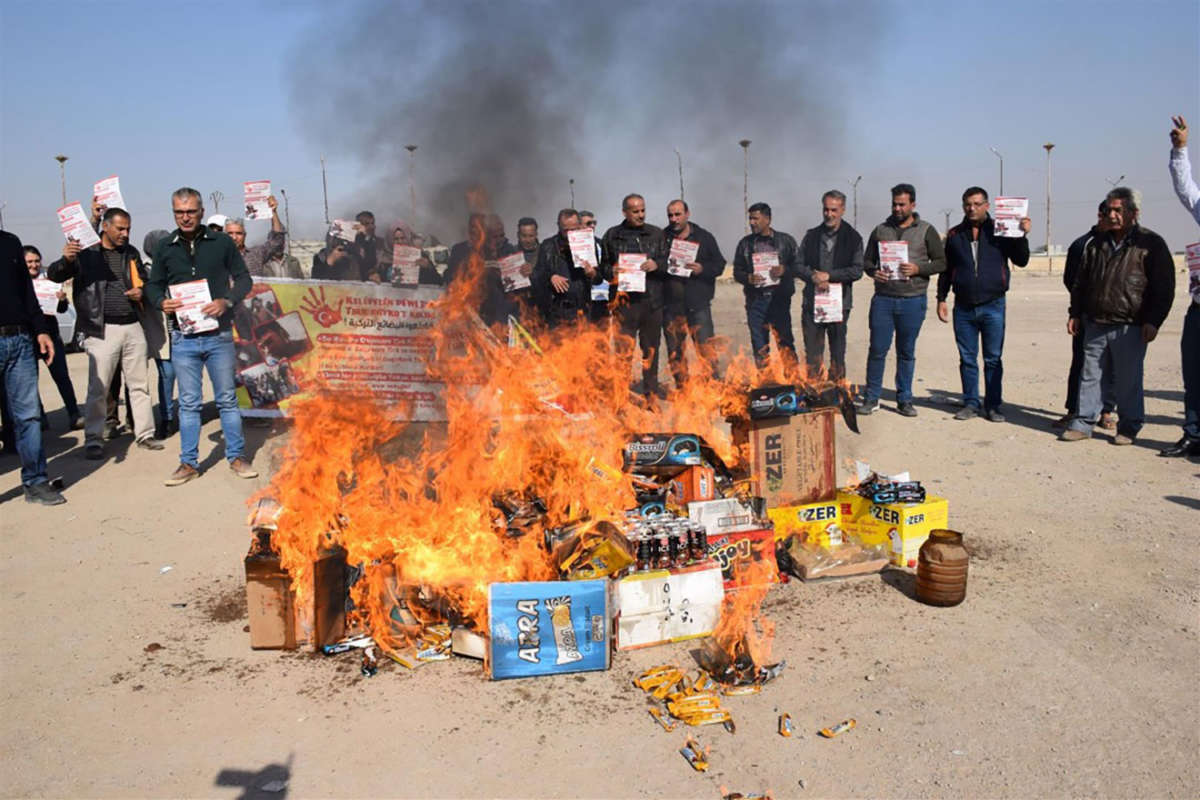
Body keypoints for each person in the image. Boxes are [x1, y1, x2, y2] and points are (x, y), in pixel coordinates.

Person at [144, 187, 257, 484]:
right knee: (190, 403)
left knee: (227, 401)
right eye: (179, 212)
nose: (185, 217)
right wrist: (160, 301)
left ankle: (236, 456)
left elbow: (245, 279)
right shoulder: (165, 247)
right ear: (173, 213)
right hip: (185, 338)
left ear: (202, 211)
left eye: (190, 211)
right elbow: (152, 285)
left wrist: (227, 301)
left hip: (218, 335)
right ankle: (188, 463)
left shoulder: (221, 243)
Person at [1061, 187, 1175, 445]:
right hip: (1095, 322)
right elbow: (1081, 282)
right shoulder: (1097, 244)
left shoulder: (1150, 244)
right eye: (1109, 210)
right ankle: (1083, 423)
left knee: (1128, 380)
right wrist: (1075, 313)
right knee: (1090, 376)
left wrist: (1153, 320)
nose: (1112, 215)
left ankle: (1128, 427)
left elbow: (1163, 287)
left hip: (1130, 326)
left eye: (1117, 210)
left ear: (1133, 213)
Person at [47, 207, 164, 458]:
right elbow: (54, 274)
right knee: (98, 389)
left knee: (139, 386)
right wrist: (67, 260)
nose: (125, 234)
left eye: (128, 229)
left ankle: (145, 434)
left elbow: (144, 280)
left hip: (133, 325)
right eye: (120, 229)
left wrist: (141, 292)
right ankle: (94, 439)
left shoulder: (130, 253)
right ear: (105, 228)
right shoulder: (86, 254)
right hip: (101, 329)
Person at [936, 187, 1031, 422]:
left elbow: (1022, 260)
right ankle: (970, 403)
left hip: (993, 305)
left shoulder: (1002, 231)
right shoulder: (955, 235)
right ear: (963, 206)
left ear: (987, 206)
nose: (972, 208)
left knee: (993, 358)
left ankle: (993, 405)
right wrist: (941, 298)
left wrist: (1021, 235)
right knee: (967, 358)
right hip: (964, 307)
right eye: (968, 204)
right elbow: (947, 270)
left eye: (977, 204)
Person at [859, 183, 946, 416]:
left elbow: (941, 262)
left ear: (913, 205)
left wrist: (918, 268)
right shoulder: (880, 230)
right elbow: (867, 261)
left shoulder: (926, 230)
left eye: (902, 204)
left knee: (906, 351)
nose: (897, 208)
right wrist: (873, 271)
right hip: (884, 300)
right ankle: (871, 398)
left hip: (912, 301)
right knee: (877, 350)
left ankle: (904, 399)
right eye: (894, 204)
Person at [1, 231, 66, 504]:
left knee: (28, 416)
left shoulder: (11, 243)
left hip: (19, 340)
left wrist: (40, 330)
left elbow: (27, 292)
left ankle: (36, 482)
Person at [1055, 203, 1116, 431]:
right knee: (1081, 363)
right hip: (1087, 316)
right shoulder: (1082, 244)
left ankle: (1107, 410)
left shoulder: (1129, 244)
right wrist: (1079, 310)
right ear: (1099, 215)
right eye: (1107, 214)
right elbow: (1072, 281)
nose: (1112, 218)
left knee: (1113, 365)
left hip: (1120, 317)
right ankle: (1074, 410)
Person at [601, 194, 667, 397]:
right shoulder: (612, 235)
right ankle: (621, 397)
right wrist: (611, 271)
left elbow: (669, 262)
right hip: (624, 305)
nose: (640, 215)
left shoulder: (656, 234)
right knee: (622, 353)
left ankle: (651, 396)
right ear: (625, 212)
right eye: (635, 211)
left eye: (643, 210)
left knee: (651, 352)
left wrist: (657, 265)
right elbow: (601, 266)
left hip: (651, 303)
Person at [795, 190, 864, 382]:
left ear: (842, 210)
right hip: (812, 304)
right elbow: (797, 265)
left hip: (839, 305)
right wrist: (813, 276)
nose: (829, 214)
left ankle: (837, 392)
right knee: (813, 354)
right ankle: (815, 393)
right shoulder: (811, 236)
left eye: (834, 210)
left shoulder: (854, 238)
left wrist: (830, 275)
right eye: (826, 209)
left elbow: (857, 270)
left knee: (837, 353)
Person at [1162, 115, 1200, 457]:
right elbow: (1185, 188)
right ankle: (1193, 433)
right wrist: (1180, 149)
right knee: (1193, 372)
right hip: (1199, 308)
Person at [662, 199, 725, 385]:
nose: (674, 219)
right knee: (675, 352)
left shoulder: (704, 237)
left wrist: (702, 269)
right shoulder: (662, 238)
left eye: (678, 214)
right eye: (670, 215)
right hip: (672, 308)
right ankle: (683, 389)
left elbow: (719, 265)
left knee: (706, 349)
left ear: (687, 214)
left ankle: (712, 386)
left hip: (698, 306)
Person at [732, 202, 801, 369]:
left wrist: (785, 269)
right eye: (750, 219)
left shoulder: (786, 241)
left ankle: (793, 383)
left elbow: (799, 266)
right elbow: (737, 271)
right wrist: (748, 278)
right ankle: (765, 385)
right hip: (756, 302)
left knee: (785, 343)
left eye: (756, 218)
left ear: (768, 219)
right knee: (760, 346)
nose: (752, 222)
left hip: (779, 300)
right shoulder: (745, 244)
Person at [24, 246, 81, 430]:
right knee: (31, 382)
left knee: (62, 377)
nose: (34, 265)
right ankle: (40, 417)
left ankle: (74, 414)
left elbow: (61, 310)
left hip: (52, 337)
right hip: (28, 339)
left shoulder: (49, 281)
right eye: (29, 262)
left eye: (36, 261)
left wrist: (62, 299)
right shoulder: (18, 284)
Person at [532, 208, 602, 329]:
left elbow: (599, 279)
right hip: (557, 312)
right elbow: (537, 275)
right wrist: (551, 277)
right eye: (566, 230)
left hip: (582, 311)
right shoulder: (548, 246)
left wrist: (592, 273)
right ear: (559, 226)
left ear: (579, 225)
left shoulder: (588, 245)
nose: (569, 234)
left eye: (573, 229)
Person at [142, 230, 177, 438]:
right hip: (161, 331)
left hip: (183, 330)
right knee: (167, 375)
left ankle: (190, 414)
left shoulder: (176, 267)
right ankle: (167, 419)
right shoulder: (145, 271)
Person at [226, 196, 299, 279]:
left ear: (245, 235)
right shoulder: (217, 257)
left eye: (238, 233)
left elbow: (277, 241)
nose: (234, 237)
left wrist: (273, 212)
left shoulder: (256, 254)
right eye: (230, 233)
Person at [580, 210, 610, 322]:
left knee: (601, 337)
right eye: (588, 223)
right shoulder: (571, 246)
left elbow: (607, 267)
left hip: (601, 298)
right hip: (582, 299)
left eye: (594, 223)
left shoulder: (601, 244)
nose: (592, 226)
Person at [352, 210, 386, 282]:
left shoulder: (381, 243)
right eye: (367, 224)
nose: (371, 227)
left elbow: (381, 264)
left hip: (379, 283)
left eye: (372, 223)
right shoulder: (353, 244)